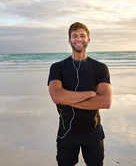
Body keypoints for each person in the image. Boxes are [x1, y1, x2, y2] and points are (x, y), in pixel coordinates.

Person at [47, 22, 112, 166]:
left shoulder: (100, 68)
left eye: (82, 35)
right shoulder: (57, 68)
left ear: (88, 39)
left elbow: (106, 102)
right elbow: (57, 96)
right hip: (67, 132)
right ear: (69, 40)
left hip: (93, 132)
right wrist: (90, 94)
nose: (79, 39)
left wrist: (67, 99)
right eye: (74, 36)